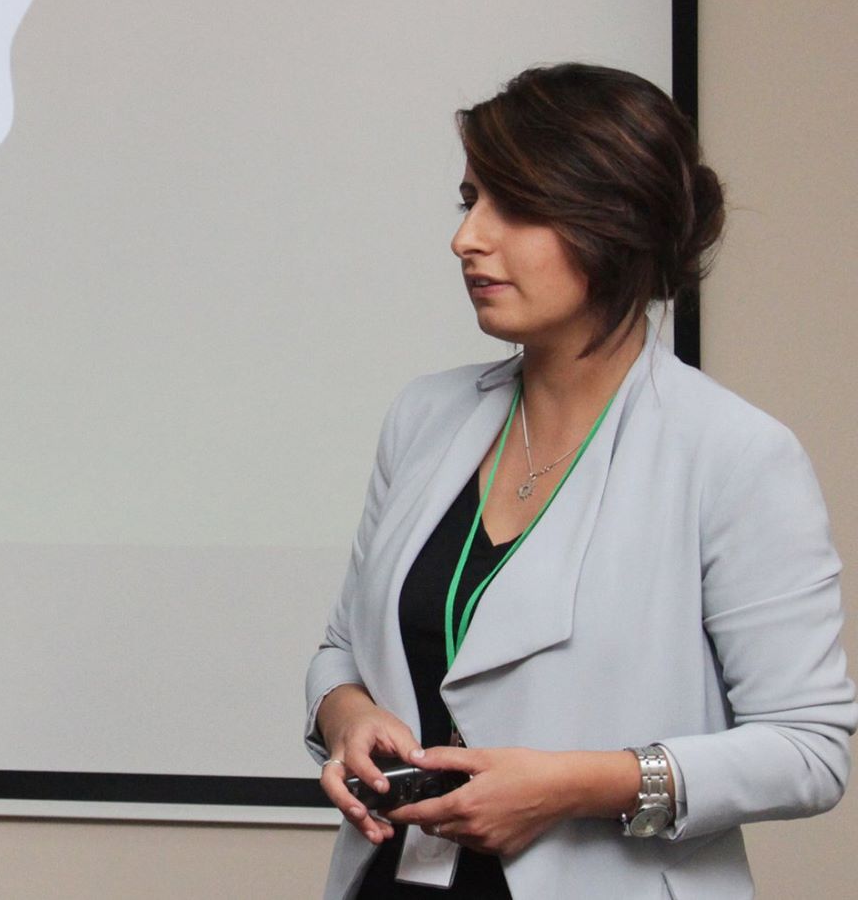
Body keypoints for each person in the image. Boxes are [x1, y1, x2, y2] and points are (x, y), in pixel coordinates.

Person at [304, 63, 855, 899]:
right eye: (470, 201)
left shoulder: (735, 453)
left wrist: (574, 786)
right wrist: (346, 716)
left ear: (616, 223)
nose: (467, 238)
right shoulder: (424, 417)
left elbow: (809, 750)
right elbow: (342, 650)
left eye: (515, 208)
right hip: (391, 880)